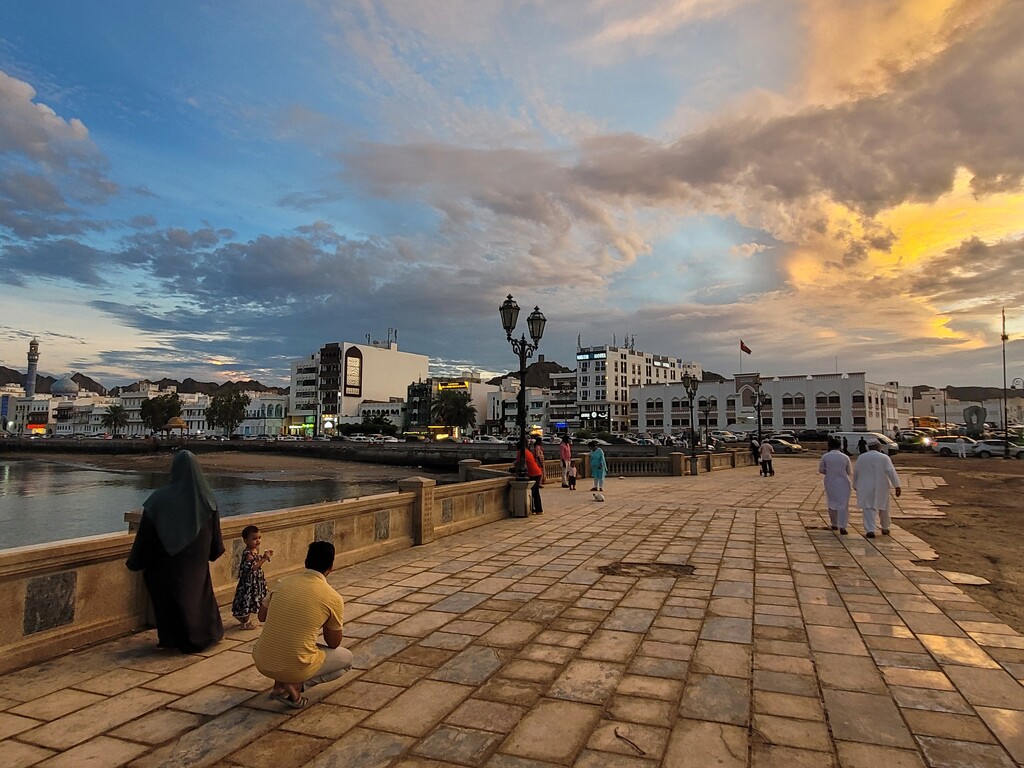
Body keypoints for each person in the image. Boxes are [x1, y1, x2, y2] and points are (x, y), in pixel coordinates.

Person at [126, 450, 225, 653]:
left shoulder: (158, 500)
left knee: (163, 592)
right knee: (199, 596)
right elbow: (215, 544)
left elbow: (146, 537)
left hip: (165, 565)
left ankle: (173, 638)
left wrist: (135, 561)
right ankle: (205, 635)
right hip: (196, 566)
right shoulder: (207, 500)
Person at [252, 540, 353, 709]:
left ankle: (279, 685)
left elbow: (261, 617)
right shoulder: (333, 597)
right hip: (293, 664)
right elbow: (334, 643)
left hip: (262, 660)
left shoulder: (282, 582)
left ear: (306, 562)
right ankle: (295, 685)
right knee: (346, 660)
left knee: (290, 636)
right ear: (330, 568)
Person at [853, 436, 902, 539]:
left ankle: (870, 530)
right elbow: (891, 472)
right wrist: (897, 486)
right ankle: (885, 527)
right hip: (881, 486)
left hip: (865, 486)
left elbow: (856, 472)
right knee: (884, 508)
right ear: (877, 446)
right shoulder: (884, 458)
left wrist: (855, 484)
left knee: (868, 508)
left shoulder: (862, 457)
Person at [231, 525, 273, 629]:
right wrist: (264, 558)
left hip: (256, 581)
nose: (258, 541)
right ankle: (244, 622)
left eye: (259, 538)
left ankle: (245, 620)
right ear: (245, 540)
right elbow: (253, 567)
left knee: (253, 600)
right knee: (247, 600)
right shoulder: (248, 554)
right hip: (249, 583)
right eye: (254, 539)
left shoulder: (254, 551)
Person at [818, 437, 852, 534]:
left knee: (831, 503)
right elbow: (849, 471)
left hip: (830, 481)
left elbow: (821, 470)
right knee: (843, 504)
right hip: (844, 483)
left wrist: (829, 472)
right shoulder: (845, 457)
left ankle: (834, 524)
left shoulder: (825, 456)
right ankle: (843, 526)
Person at [516, 444, 545, 515]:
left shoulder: (520, 452)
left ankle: (534, 509)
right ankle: (538, 509)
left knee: (533, 492)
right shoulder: (527, 451)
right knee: (535, 492)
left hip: (533, 474)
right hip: (537, 472)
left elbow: (518, 463)